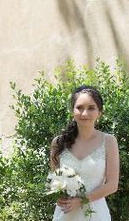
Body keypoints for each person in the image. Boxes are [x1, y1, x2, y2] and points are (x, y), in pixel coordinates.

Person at [49, 86, 119, 221]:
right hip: (65, 214)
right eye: (79, 107)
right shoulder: (58, 142)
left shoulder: (109, 141)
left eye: (91, 108)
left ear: (100, 113)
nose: (84, 113)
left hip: (96, 214)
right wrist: (57, 195)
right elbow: (55, 180)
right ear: (72, 111)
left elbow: (112, 185)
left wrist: (81, 200)